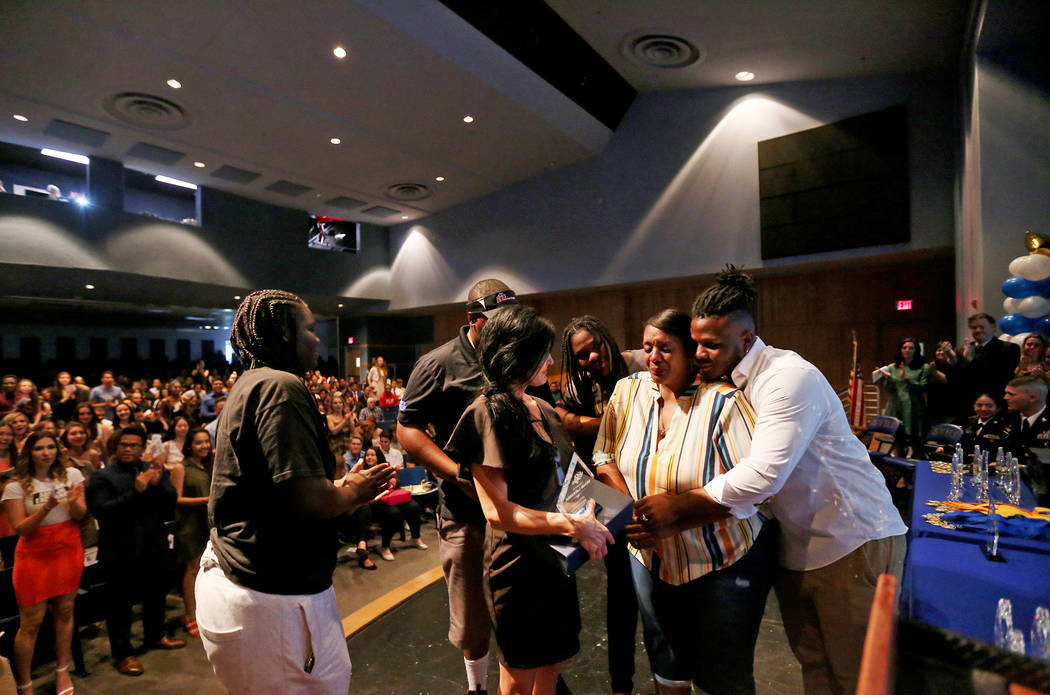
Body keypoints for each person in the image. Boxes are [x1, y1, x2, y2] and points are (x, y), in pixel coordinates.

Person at [687, 266, 907, 695]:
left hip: (852, 539)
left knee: (859, 678)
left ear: (746, 340)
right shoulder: (732, 381)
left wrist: (681, 506)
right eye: (696, 343)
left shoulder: (786, 378)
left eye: (711, 344)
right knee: (816, 669)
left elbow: (763, 475)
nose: (699, 353)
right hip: (801, 543)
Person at [196, 289, 394, 695]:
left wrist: (339, 485)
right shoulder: (280, 386)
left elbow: (278, 492)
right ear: (285, 333)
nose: (317, 339)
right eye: (309, 328)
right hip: (270, 596)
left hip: (241, 581)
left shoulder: (252, 383)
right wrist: (353, 493)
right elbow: (310, 501)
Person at [593, 309, 776, 695]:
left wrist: (678, 516)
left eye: (665, 348)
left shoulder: (723, 402)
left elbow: (758, 491)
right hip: (650, 557)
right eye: (648, 348)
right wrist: (630, 512)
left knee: (723, 674)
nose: (654, 357)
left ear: (690, 351)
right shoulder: (628, 392)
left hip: (720, 560)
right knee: (667, 662)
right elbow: (604, 455)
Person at [445, 305, 613, 695]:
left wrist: (599, 506)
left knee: (551, 666)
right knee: (519, 678)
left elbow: (571, 480)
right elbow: (498, 513)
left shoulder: (545, 409)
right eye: (543, 352)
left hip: (554, 560)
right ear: (516, 354)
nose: (552, 360)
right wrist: (574, 524)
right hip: (516, 567)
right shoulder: (485, 413)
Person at [398, 278, 521, 695]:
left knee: (517, 610)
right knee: (471, 618)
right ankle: (477, 688)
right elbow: (407, 431)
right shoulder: (438, 363)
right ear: (473, 320)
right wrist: (455, 472)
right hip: (464, 511)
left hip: (515, 507)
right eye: (498, 324)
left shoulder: (512, 356)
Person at [553, 315, 645, 695]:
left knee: (661, 598)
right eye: (582, 355)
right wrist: (602, 422)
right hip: (609, 497)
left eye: (595, 346)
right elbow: (562, 420)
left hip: (651, 492)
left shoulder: (640, 364)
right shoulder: (579, 386)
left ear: (607, 337)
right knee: (622, 597)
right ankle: (620, 686)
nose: (592, 356)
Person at [87, 426, 183, 676]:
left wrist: (159, 483)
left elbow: (170, 502)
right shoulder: (102, 477)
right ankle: (123, 654)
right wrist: (136, 492)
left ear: (143, 448)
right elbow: (101, 511)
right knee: (120, 605)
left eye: (134, 445)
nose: (128, 449)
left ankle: (155, 636)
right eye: (123, 445)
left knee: (156, 595)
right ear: (115, 448)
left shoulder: (150, 470)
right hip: (119, 550)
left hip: (153, 545)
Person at [1, 432, 86, 695]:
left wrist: (74, 504)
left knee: (65, 612)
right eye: (39, 448)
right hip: (34, 554)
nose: (46, 452)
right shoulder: (15, 486)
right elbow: (20, 528)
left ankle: (62, 671)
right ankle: (25, 684)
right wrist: (45, 508)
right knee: (31, 622)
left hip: (68, 548)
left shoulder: (72, 475)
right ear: (28, 452)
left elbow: (81, 515)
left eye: (50, 447)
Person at [171, 427, 212, 638]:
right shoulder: (181, 467)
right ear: (189, 445)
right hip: (190, 525)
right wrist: (205, 500)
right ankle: (190, 615)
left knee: (207, 570)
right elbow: (176, 499)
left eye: (206, 441)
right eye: (199, 442)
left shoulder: (207, 465)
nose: (204, 446)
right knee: (192, 570)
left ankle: (204, 612)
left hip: (208, 524)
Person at [363, 446, 426, 561]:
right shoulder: (363, 471)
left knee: (414, 507)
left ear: (378, 457)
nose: (369, 457)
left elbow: (396, 482)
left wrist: (394, 481)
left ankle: (415, 537)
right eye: (367, 455)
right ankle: (385, 547)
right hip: (374, 502)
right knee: (393, 513)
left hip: (391, 497)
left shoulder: (385, 468)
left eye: (372, 455)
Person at [876, 338, 934, 456]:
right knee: (898, 441)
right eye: (904, 347)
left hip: (915, 408)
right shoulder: (892, 367)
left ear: (916, 350)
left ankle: (916, 469)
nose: (907, 350)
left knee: (917, 442)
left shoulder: (923, 367)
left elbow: (923, 387)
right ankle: (900, 470)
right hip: (896, 407)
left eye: (911, 348)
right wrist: (888, 379)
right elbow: (889, 389)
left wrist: (906, 379)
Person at [959, 313, 1020, 407]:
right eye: (974, 327)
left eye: (982, 327)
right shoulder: (963, 350)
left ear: (993, 328)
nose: (978, 330)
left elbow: (998, 375)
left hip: (996, 402)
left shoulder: (1008, 348)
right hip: (968, 403)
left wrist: (971, 360)